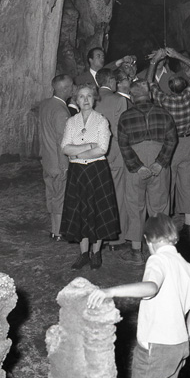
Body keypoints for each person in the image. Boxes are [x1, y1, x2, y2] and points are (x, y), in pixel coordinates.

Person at [87, 214, 190, 378]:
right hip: (178, 346)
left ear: (148, 240)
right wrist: (185, 340)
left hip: (155, 348)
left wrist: (111, 291)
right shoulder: (187, 267)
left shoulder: (157, 259)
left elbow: (151, 287)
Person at [60, 84, 120, 270]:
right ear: (76, 100)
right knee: (80, 210)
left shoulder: (101, 121)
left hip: (97, 172)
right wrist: (88, 146)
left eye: (89, 96)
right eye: (81, 96)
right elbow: (65, 147)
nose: (85, 100)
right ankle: (83, 253)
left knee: (98, 210)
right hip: (77, 173)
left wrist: (77, 154)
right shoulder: (71, 122)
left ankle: (96, 253)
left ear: (94, 99)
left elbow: (102, 149)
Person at [117, 80, 177, 263]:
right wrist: (160, 163)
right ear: (149, 95)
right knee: (159, 208)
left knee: (135, 207)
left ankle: (136, 252)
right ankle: (161, 252)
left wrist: (138, 166)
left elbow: (123, 145)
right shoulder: (164, 114)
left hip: (135, 165)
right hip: (159, 162)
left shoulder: (125, 117)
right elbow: (172, 140)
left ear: (132, 97)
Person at [147, 48, 190, 237]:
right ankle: (188, 223)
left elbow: (149, 83)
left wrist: (155, 60)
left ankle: (167, 221)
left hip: (169, 145)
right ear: (185, 85)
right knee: (187, 182)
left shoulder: (165, 100)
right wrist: (177, 55)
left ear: (170, 87)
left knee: (167, 183)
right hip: (188, 142)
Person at [94, 68, 130, 250]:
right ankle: (116, 239)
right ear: (109, 80)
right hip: (114, 154)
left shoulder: (90, 99)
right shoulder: (119, 100)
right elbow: (120, 132)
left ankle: (98, 238)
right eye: (115, 80)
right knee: (118, 196)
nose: (116, 84)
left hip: (92, 155)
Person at [38, 74, 73, 241]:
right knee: (60, 197)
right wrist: (65, 165)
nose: (73, 89)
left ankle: (53, 229)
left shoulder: (45, 105)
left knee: (51, 195)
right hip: (58, 162)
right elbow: (62, 141)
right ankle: (58, 232)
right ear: (65, 89)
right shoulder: (61, 111)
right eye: (71, 86)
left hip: (47, 159)